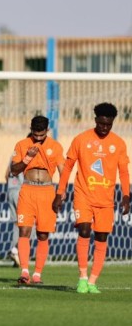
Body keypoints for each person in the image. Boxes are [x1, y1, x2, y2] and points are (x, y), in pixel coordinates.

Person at [52, 102, 130, 294]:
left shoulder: (118, 143)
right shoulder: (81, 139)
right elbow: (68, 167)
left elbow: (124, 172)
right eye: (102, 123)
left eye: (108, 124)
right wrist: (59, 193)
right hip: (83, 195)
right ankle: (82, 278)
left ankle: (93, 281)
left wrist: (126, 196)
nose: (104, 128)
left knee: (102, 236)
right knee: (85, 230)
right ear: (95, 120)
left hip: (106, 199)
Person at [10, 115, 64, 286]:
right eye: (35, 134)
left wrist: (60, 194)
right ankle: (24, 272)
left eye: (42, 135)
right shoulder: (22, 144)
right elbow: (14, 170)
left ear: (47, 131)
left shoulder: (55, 146)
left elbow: (64, 172)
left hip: (48, 191)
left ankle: (37, 275)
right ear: (31, 129)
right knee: (24, 231)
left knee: (42, 234)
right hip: (27, 190)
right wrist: (27, 158)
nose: (38, 138)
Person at [5, 156, 23, 267]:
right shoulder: (25, 155)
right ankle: (16, 249)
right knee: (27, 223)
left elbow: (6, 175)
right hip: (20, 192)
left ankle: (15, 251)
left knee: (17, 223)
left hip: (10, 191)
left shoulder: (12, 157)